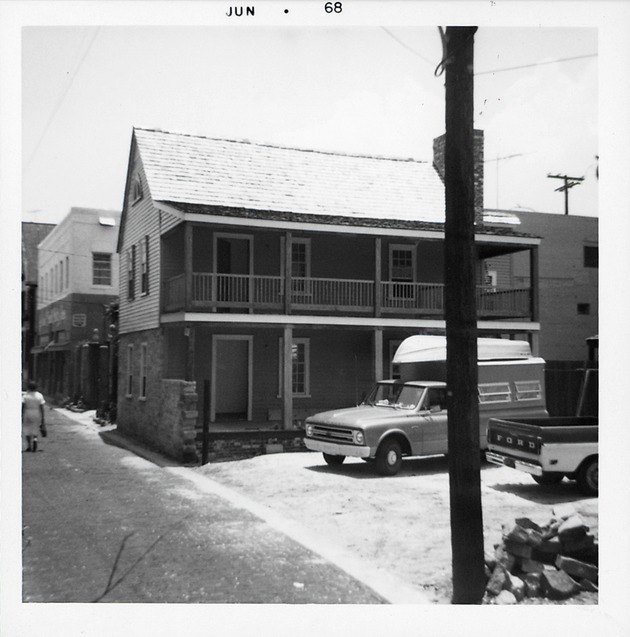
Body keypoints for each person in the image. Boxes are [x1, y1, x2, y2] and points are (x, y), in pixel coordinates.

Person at [22, 381, 46, 452]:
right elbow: (41, 407)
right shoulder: (39, 396)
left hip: (27, 412)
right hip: (36, 412)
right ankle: (35, 439)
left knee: (27, 428)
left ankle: (29, 446)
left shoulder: (26, 396)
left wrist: (21, 415)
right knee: (35, 427)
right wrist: (42, 418)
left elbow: (23, 406)